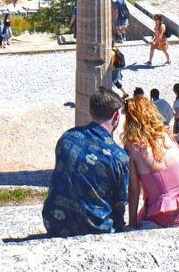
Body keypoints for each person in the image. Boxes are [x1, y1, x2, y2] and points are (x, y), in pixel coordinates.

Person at [42, 88, 129, 237]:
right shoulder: (118, 156)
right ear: (116, 116)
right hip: (96, 228)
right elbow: (120, 204)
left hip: (54, 222)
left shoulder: (67, 138)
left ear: (90, 112)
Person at [123, 96, 179, 229]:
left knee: (143, 214)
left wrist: (132, 224)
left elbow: (134, 191)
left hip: (166, 218)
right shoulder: (167, 136)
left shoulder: (133, 148)